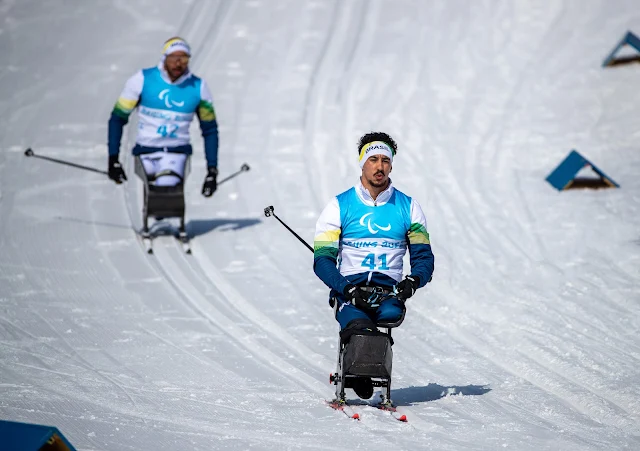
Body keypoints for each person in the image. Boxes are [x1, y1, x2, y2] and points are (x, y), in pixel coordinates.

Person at [313, 132, 435, 396]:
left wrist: (412, 282)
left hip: (388, 292)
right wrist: (345, 289)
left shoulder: (409, 207)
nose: (379, 166)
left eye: (385, 161)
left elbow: (424, 257)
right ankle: (360, 373)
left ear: (391, 165)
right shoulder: (339, 205)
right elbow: (322, 261)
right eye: (373, 159)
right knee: (359, 327)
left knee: (390, 316)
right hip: (350, 290)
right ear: (362, 163)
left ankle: (366, 370)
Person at [107, 37, 219, 196]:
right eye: (174, 58)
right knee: (159, 196)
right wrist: (113, 160)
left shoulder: (198, 87)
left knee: (166, 189)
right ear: (165, 58)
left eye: (184, 59)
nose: (178, 63)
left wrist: (212, 170)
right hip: (145, 151)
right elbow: (117, 118)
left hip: (177, 152)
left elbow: (210, 130)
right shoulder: (142, 79)